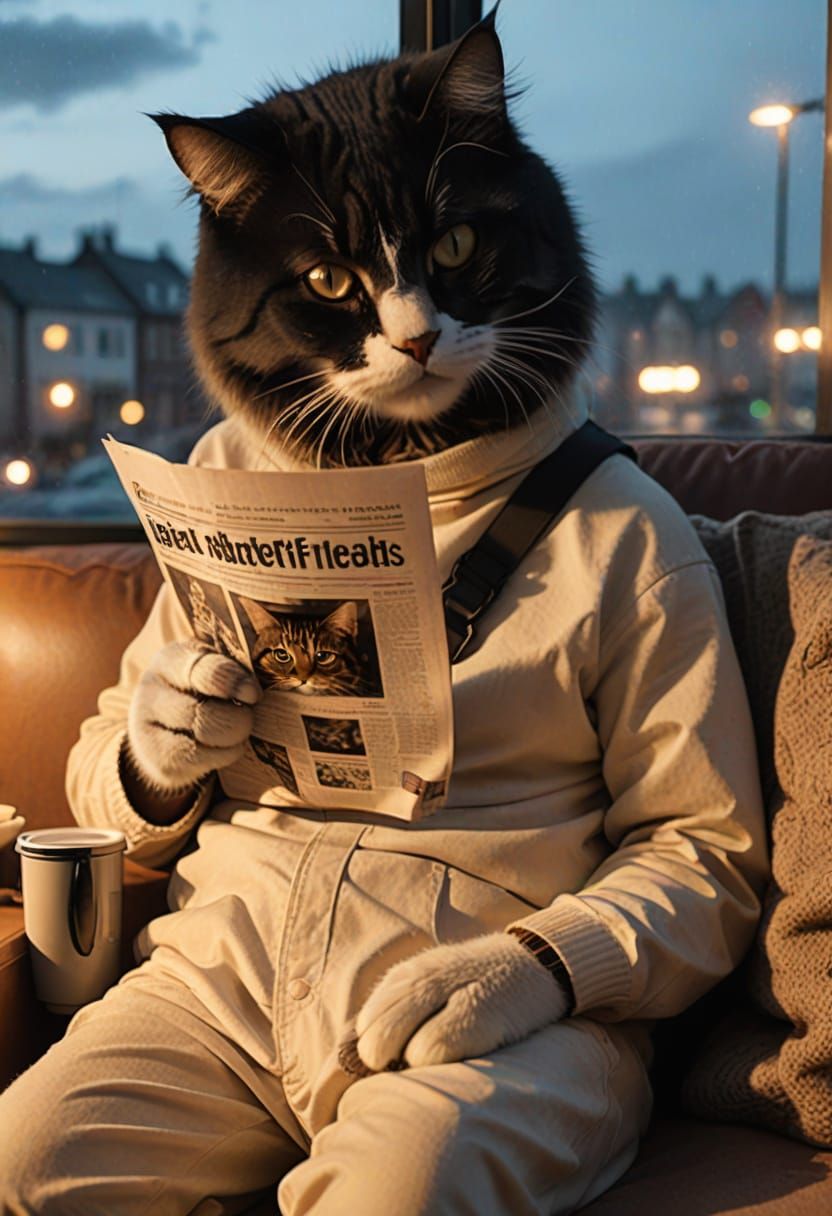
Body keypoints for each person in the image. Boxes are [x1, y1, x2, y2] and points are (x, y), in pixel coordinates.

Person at [0, 13, 768, 1215]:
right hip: (219, 984)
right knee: (21, 1164)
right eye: (334, 285)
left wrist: (542, 968)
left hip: (501, 1019)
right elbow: (103, 780)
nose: (409, 328)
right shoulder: (226, 478)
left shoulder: (621, 529)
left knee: (398, 1194)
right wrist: (153, 757)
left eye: (453, 247)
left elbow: (709, 857)